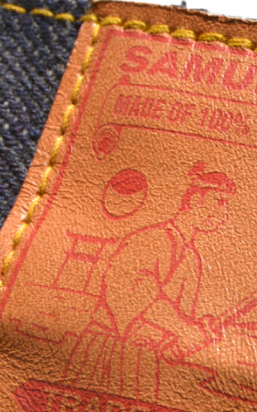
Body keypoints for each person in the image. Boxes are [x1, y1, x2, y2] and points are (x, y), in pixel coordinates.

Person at [66, 162, 235, 399]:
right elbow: (133, 297)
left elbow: (174, 323)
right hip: (107, 352)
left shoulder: (191, 259)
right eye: (218, 201)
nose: (223, 214)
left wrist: (193, 333)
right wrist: (185, 329)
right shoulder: (149, 240)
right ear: (195, 200)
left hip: (145, 362)